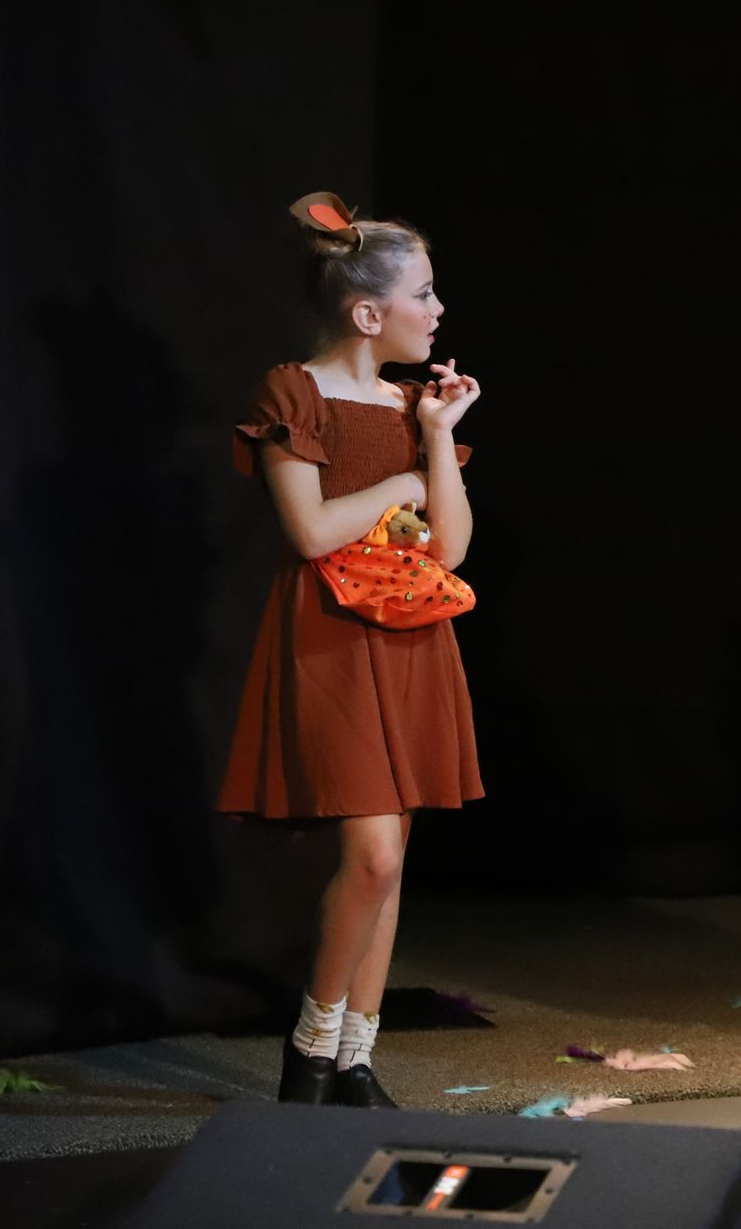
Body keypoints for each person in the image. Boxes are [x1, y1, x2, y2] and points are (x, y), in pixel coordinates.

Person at [219, 192, 483, 1108]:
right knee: (369, 856)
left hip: (412, 636)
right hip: (330, 636)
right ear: (369, 314)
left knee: (393, 859)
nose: (439, 309)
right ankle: (310, 1049)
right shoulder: (294, 393)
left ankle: (355, 1061)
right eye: (425, 292)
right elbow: (312, 530)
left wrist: (437, 443)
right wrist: (405, 476)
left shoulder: (417, 406)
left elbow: (448, 549)